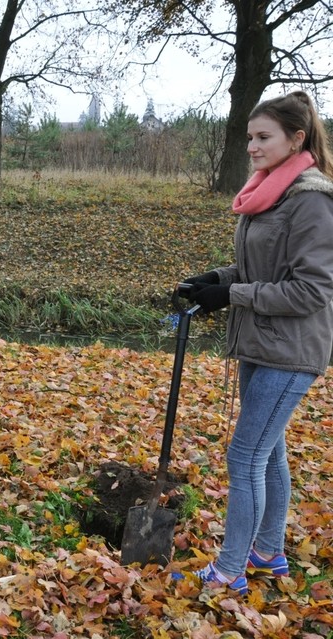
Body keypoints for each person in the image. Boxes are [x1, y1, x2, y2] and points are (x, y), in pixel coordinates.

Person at [176, 91, 333, 593]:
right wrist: (215, 279)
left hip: (293, 349)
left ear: (297, 139)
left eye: (263, 137)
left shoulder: (311, 200)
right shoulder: (269, 191)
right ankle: (267, 552)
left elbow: (312, 289)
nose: (252, 147)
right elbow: (263, 268)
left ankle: (228, 571)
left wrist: (233, 294)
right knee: (270, 453)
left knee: (245, 455)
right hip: (260, 342)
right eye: (249, 137)